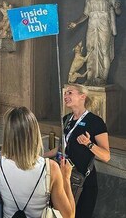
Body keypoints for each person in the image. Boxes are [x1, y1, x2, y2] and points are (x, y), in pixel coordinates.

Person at [0, 107, 75, 218]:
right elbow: (69, 215)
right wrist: (66, 177)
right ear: (34, 134)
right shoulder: (51, 168)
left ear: (7, 134)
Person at [45, 84, 110, 218]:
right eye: (65, 93)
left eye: (70, 93)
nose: (65, 96)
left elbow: (106, 156)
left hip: (83, 181)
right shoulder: (66, 120)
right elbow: (61, 148)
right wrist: (39, 156)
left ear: (82, 96)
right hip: (63, 178)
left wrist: (89, 144)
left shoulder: (95, 122)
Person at [68, 0, 121, 86]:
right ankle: (90, 78)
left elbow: (117, 11)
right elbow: (85, 14)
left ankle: (103, 78)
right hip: (92, 24)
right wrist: (76, 22)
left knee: (103, 50)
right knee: (90, 50)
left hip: (104, 24)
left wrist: (117, 7)